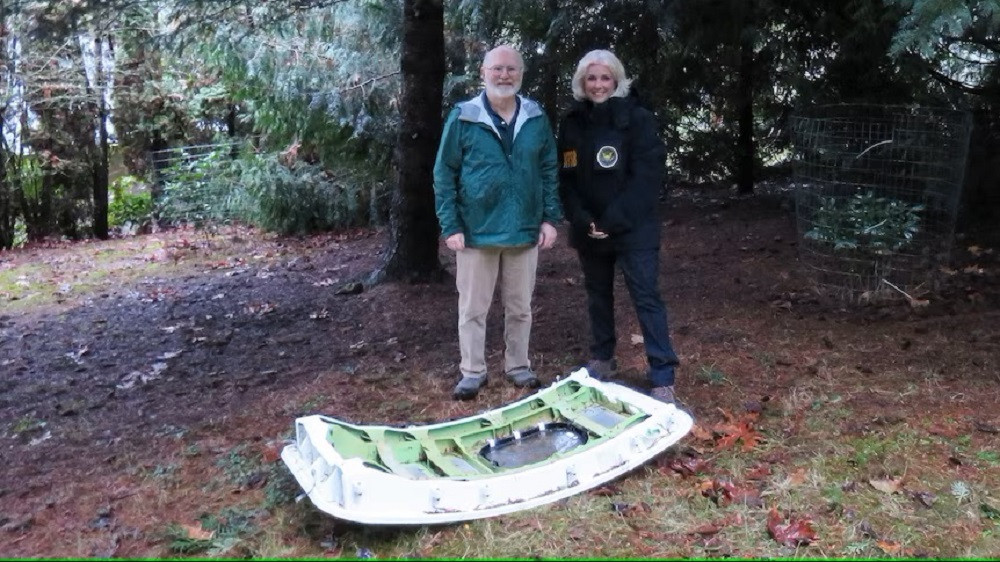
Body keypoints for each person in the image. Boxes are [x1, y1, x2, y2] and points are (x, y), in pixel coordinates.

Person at [433, 45, 563, 401]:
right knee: (473, 309)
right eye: (497, 69)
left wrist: (550, 218)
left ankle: (518, 366)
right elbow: (444, 173)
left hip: (524, 229)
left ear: (521, 73)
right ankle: (472, 372)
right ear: (483, 72)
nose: (504, 75)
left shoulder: (535, 117)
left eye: (511, 69)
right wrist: (451, 225)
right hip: (476, 231)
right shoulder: (464, 117)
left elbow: (549, 169)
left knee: (520, 307)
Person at [556, 49, 680, 403]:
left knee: (646, 297)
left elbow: (647, 178)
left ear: (617, 80)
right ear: (582, 82)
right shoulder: (572, 122)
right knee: (598, 295)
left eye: (605, 78)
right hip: (590, 229)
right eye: (591, 78)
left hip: (632, 227)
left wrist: (612, 220)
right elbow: (566, 178)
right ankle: (603, 358)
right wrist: (583, 218)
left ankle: (662, 374)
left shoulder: (638, 119)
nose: (598, 85)